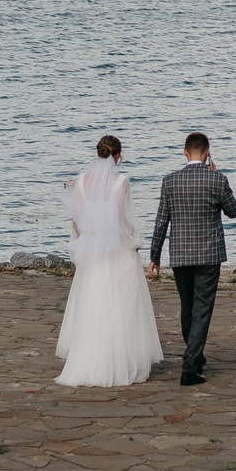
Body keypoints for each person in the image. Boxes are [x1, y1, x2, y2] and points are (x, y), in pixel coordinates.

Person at [54, 135, 164, 388]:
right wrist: (134, 239)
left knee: (93, 303)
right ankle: (119, 361)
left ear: (98, 153)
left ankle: (91, 360)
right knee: (121, 304)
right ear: (118, 156)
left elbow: (76, 219)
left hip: (92, 252)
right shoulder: (121, 182)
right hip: (116, 251)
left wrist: (84, 240)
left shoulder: (81, 181)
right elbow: (120, 219)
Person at [148, 131, 236, 386]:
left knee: (188, 307)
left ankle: (195, 356)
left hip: (180, 255)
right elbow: (233, 211)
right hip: (209, 255)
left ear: (185, 152)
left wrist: (154, 255)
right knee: (202, 309)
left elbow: (161, 222)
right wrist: (219, 180)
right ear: (208, 152)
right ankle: (190, 367)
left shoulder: (170, 181)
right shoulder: (217, 179)